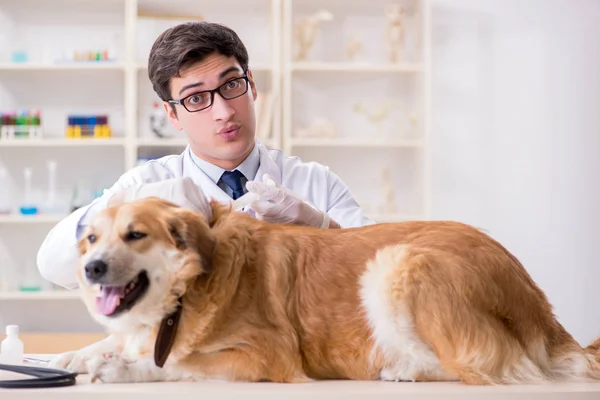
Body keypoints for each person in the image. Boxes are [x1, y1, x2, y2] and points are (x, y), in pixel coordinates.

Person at [37, 21, 375, 290]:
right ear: (172, 115)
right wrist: (134, 200)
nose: (224, 111)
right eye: (196, 99)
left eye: (231, 85)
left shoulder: (315, 182)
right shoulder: (147, 185)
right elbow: (54, 265)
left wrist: (320, 226)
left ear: (252, 85)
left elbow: (381, 270)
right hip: (188, 368)